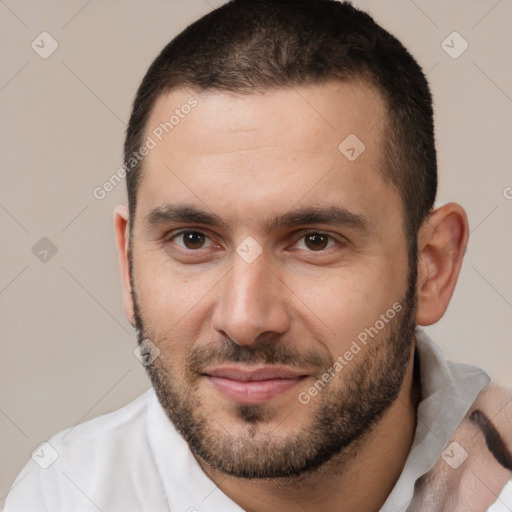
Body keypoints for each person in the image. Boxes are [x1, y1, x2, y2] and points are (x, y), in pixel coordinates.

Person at [5, 1, 512, 510]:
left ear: (432, 267)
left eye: (315, 240)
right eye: (193, 240)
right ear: (128, 264)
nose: (245, 320)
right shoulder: (64, 495)